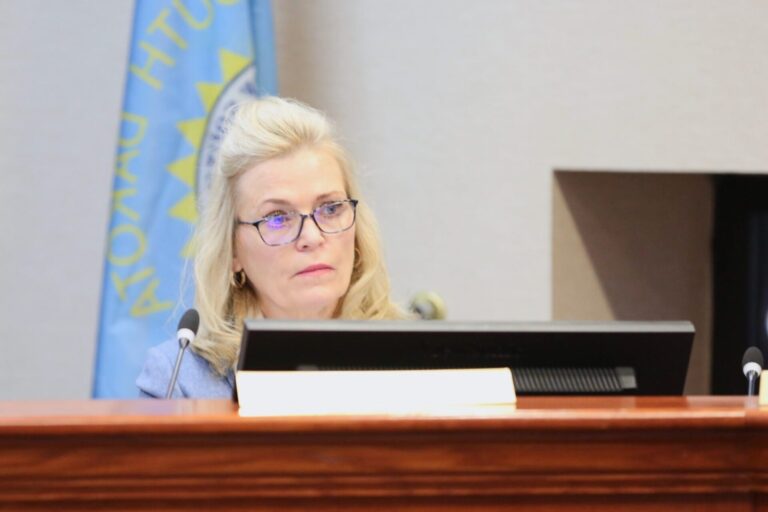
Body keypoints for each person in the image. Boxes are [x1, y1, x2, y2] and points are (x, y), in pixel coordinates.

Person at [136, 97, 403, 398]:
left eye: (330, 208)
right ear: (233, 251)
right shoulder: (179, 380)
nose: (312, 237)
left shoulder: (418, 360)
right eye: (277, 218)